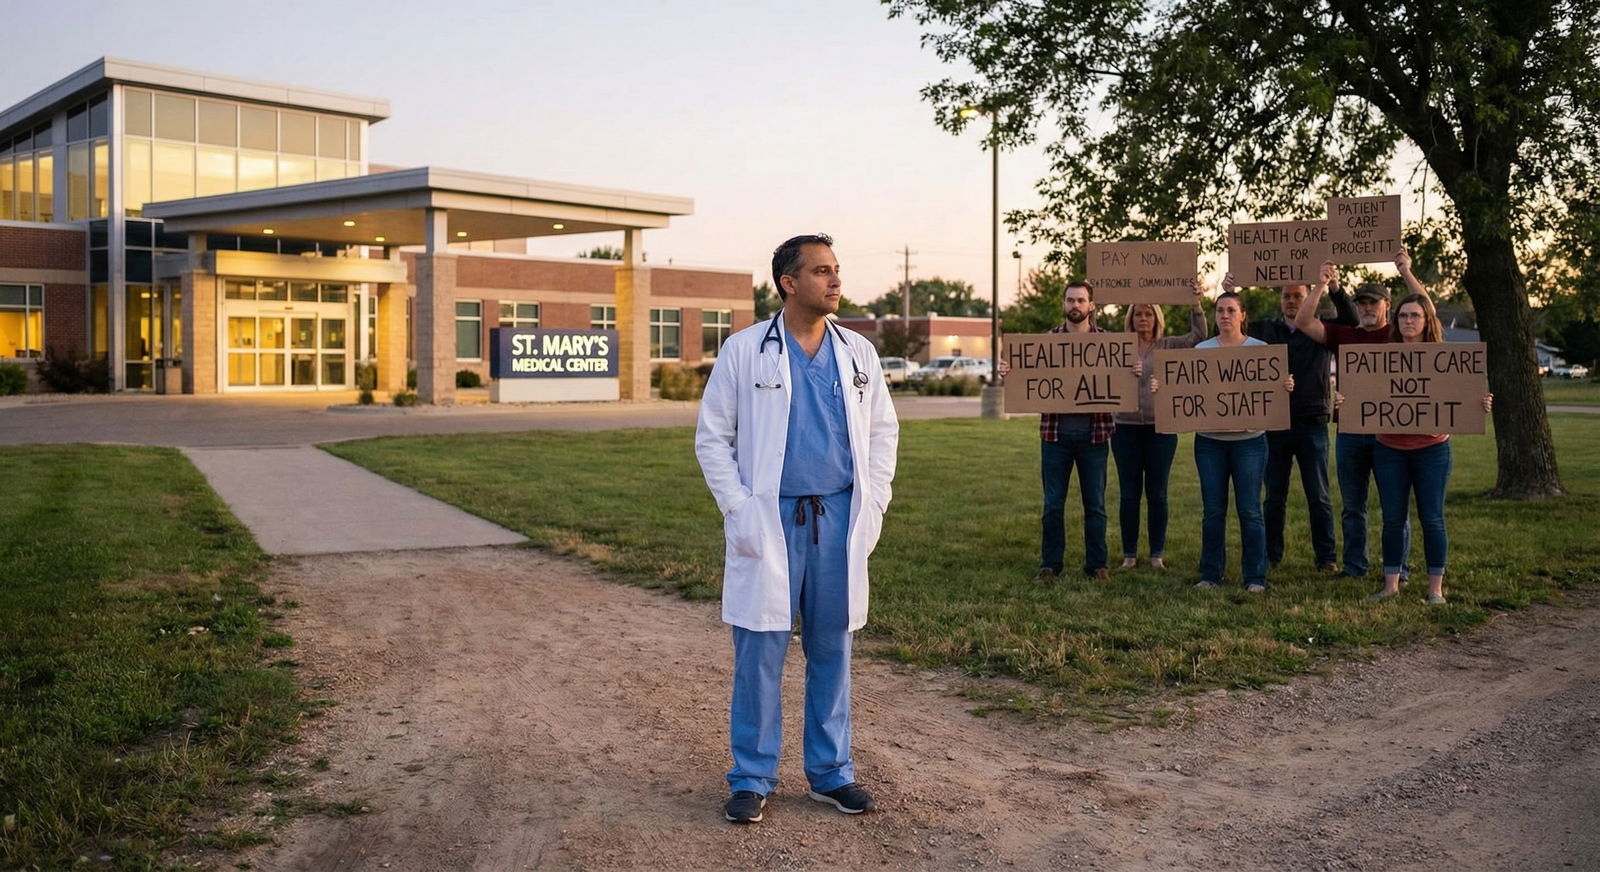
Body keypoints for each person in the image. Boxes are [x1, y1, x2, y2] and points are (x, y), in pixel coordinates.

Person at [695, 233, 899, 824]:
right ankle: (752, 776)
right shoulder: (744, 350)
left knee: (832, 645)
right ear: (789, 282)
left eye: (836, 270)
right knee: (761, 648)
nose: (835, 280)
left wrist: (875, 501)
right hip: (772, 517)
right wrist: (739, 507)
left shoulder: (858, 352)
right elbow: (713, 438)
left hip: (837, 518)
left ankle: (831, 774)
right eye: (821, 271)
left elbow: (883, 433)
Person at [1294, 251, 1426, 579]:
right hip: (1351, 431)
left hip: (1390, 433)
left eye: (1374, 303)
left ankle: (1400, 568)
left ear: (1387, 305)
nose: (1367, 308)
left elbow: (1426, 309)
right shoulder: (1345, 334)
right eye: (1362, 303)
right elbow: (1303, 322)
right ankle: (1355, 566)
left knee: (1394, 508)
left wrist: (1405, 271)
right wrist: (1320, 284)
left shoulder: (1399, 334)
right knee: (1353, 506)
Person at [1151, 291, 1294, 592]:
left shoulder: (1261, 350)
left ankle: (1255, 576)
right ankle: (1210, 574)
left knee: (1250, 511)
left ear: (1243, 316)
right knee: (1213, 511)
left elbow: (1271, 392)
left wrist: (1284, 385)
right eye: (1219, 310)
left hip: (1250, 442)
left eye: (1231, 310)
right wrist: (1161, 386)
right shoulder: (1202, 350)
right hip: (1209, 442)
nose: (1225, 315)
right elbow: (1184, 388)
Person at [1221, 272, 1357, 574]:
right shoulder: (1265, 330)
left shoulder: (1321, 327)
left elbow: (1351, 319)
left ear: (1309, 296)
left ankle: (1326, 558)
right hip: (1275, 423)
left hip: (1313, 422)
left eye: (1298, 295)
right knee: (1274, 496)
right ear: (1279, 299)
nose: (1292, 300)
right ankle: (1272, 554)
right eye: (1287, 296)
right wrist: (1231, 291)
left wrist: (1334, 288)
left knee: (1318, 495)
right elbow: (1233, 324)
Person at [1361, 293, 1493, 604]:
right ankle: (1390, 586)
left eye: (1415, 316)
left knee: (1432, 518)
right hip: (1388, 448)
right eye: (1403, 315)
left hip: (1432, 449)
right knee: (1393, 518)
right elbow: (1366, 397)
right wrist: (1346, 403)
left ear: (1426, 321)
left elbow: (1463, 399)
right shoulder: (1381, 357)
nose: (1408, 321)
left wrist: (1480, 404)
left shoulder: (1444, 358)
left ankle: (1436, 590)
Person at [998, 280, 1116, 582]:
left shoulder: (1110, 344)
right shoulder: (1046, 343)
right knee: (1052, 505)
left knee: (1096, 505)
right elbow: (1028, 380)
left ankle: (1097, 564)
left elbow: (1122, 382)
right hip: (1055, 437)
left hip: (1094, 436)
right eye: (1070, 300)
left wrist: (1134, 372)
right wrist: (1010, 374)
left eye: (1081, 301)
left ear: (1091, 306)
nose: (1075, 306)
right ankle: (1050, 564)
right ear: (1063, 304)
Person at [1111, 281, 1208, 570]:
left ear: (1157, 318)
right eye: (1138, 314)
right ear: (1130, 318)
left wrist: (1196, 304)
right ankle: (1129, 554)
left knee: (1158, 493)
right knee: (1129, 494)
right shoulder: (1117, 347)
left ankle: (1156, 554)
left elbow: (1199, 336)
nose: (1143, 319)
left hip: (1160, 429)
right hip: (1124, 428)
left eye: (1148, 314)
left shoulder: (1169, 345)